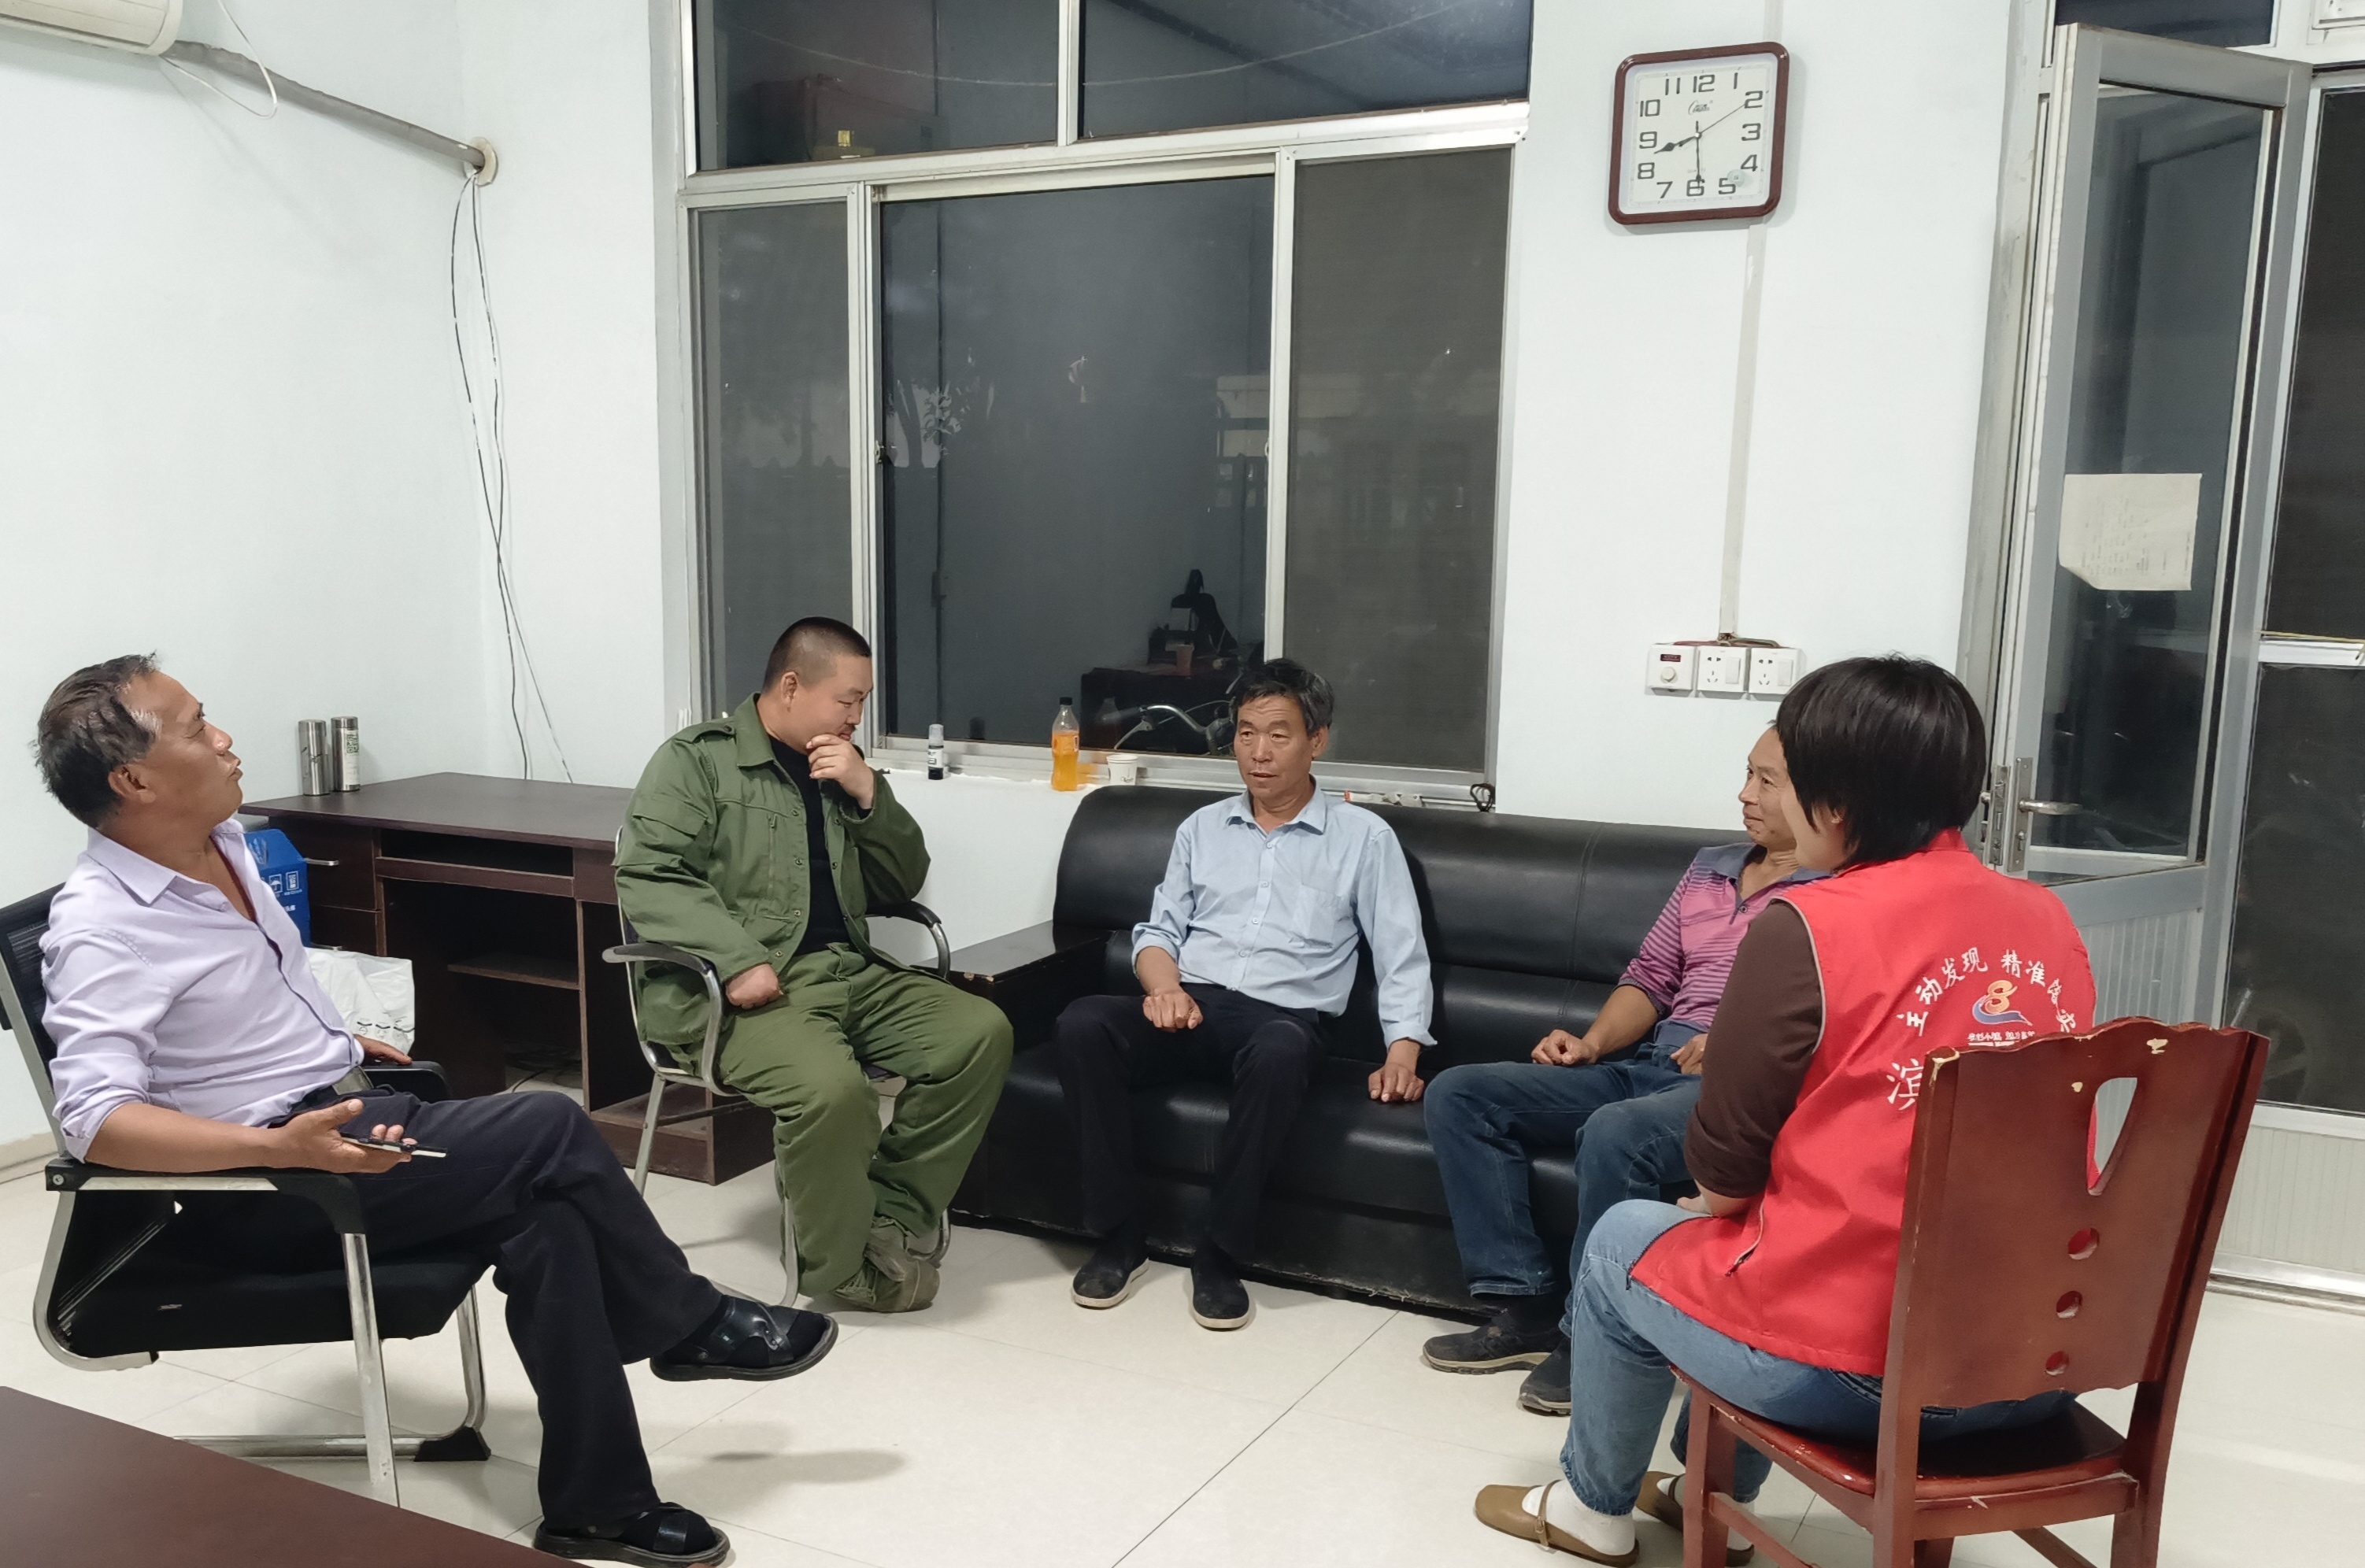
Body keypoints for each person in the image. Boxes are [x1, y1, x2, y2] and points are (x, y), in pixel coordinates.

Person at [35, 656, 830, 1567]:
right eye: (194, 729)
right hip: (269, 1188)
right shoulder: (103, 926)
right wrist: (278, 1145)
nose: (223, 738)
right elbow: (95, 1123)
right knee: (548, 1123)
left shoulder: (227, 844)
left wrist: (329, 1040)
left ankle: (599, 1509)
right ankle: (686, 1323)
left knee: (551, 1223)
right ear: (134, 781)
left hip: (337, 1117)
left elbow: (233, 1008)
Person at [1473, 656, 2095, 1564]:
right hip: (2037, 1362)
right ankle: (1705, 1487)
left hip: (1864, 1376)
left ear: (1834, 804)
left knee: (1625, 1243)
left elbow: (1725, 1175)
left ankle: (1591, 1510)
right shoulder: (2048, 920)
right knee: (1768, 1239)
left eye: (1788, 777)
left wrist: (1719, 1202)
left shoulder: (1807, 924)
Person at [614, 618, 1012, 1313]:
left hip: (848, 969)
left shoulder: (836, 765)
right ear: (792, 686)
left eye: (863, 702)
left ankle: (888, 1215)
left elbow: (900, 881)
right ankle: (839, 1266)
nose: (857, 717)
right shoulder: (697, 762)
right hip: (742, 993)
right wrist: (736, 960)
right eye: (847, 700)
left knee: (979, 1034)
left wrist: (869, 794)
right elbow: (649, 874)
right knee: (833, 1091)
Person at [1422, 727, 1822, 1416]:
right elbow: (1652, 976)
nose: (1744, 794)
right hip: (1646, 1064)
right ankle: (1525, 1306)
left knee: (1617, 1132)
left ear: (1820, 796)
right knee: (1460, 1094)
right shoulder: (1710, 869)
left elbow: (1825, 1018)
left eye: (1766, 781)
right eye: (1747, 774)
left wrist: (1736, 1044)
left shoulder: (1836, 895)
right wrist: (1591, 1043)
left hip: (1727, 1089)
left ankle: (1592, 1338)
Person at [1053, 659, 1434, 1330]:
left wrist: (1401, 1055)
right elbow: (1157, 932)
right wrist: (1164, 989)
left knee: (1281, 1050)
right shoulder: (1202, 828)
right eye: (1246, 733)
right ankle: (1118, 1237)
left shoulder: (1364, 839)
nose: (1258, 752)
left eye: (1279, 735)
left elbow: (1402, 954)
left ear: (1317, 741)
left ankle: (1220, 1254)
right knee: (1084, 1022)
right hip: (1191, 1006)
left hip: (1281, 1021)